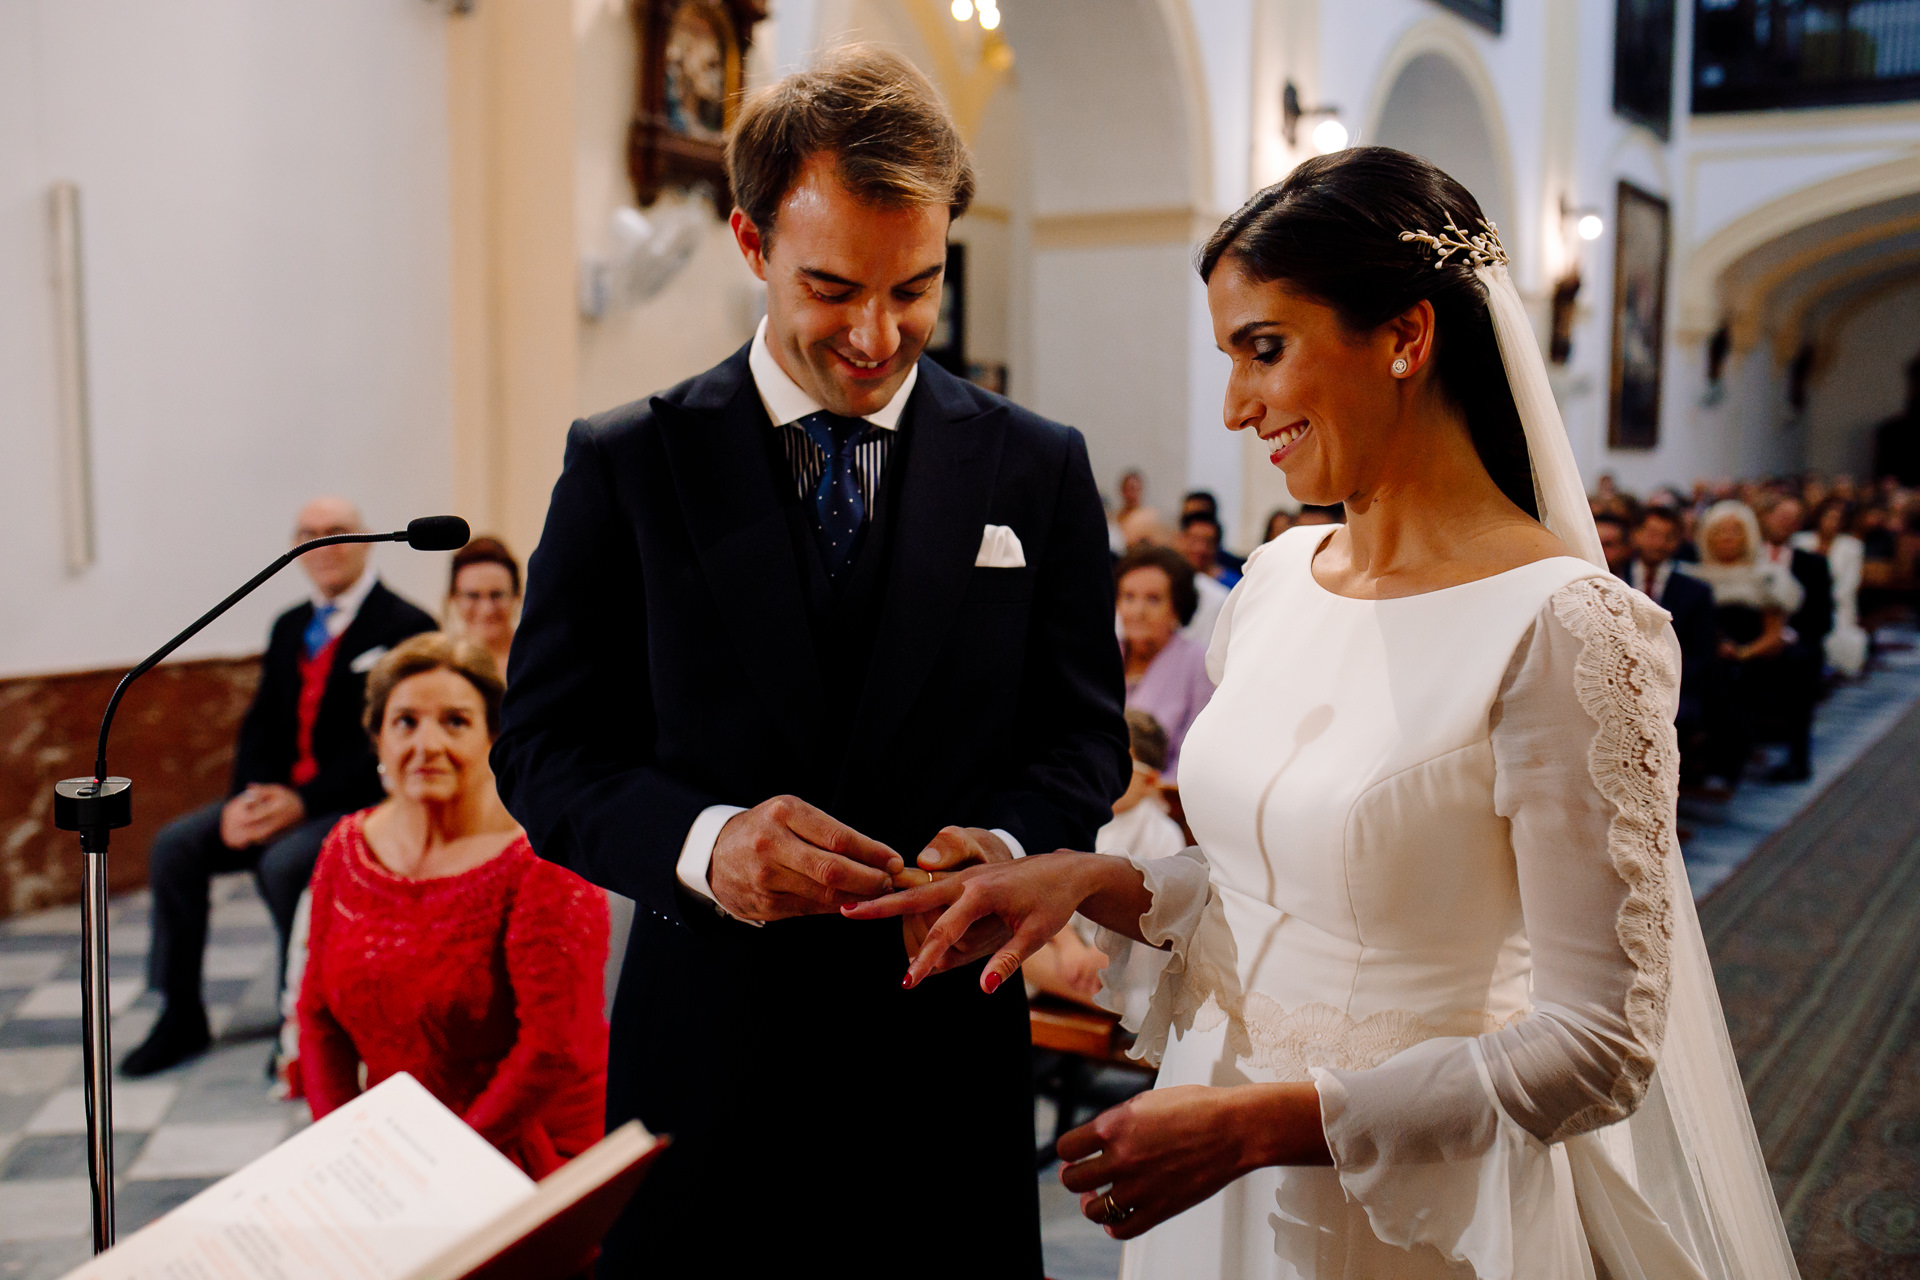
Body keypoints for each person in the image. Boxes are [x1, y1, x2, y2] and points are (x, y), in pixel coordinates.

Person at [853, 148, 1797, 1279]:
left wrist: (1264, 1124)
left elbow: (1600, 1044)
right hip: (1210, 1144)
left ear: (1405, 336)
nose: (1237, 406)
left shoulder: (1567, 626)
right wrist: (1083, 879)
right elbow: (1269, 889)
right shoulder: (1281, 576)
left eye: (1266, 348)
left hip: (1409, 1198)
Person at [489, 46, 1128, 1278]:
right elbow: (543, 750)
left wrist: (1003, 846)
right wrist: (706, 842)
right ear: (749, 240)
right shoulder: (629, 464)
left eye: (918, 287)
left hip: (942, 1058)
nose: (879, 334)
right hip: (710, 1057)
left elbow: (1083, 737)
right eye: (833, 287)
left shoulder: (1034, 467)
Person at [123, 496, 438, 1077]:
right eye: (309, 534)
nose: (324, 544)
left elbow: (389, 742)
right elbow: (261, 722)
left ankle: (304, 1018)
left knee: (286, 864)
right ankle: (180, 1011)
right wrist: (245, 798)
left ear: (366, 538)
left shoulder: (407, 626)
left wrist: (303, 803)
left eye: (337, 531)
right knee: (176, 846)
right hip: (279, 798)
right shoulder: (290, 624)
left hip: (356, 801)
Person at [298, 634, 608, 1177]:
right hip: (389, 1144)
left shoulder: (543, 863)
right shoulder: (345, 849)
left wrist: (437, 1168)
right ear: (377, 740)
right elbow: (317, 1017)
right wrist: (343, 1153)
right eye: (406, 722)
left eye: (455, 721)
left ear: (494, 735)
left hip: (524, 1145)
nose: (428, 744)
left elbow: (554, 1050)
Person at [1026, 709, 1186, 1012]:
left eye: (1117, 762)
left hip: (1125, 966)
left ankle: (1116, 1005)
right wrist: (1069, 946)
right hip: (1068, 953)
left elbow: (1157, 915)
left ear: (1149, 781)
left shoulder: (1163, 835)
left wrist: (1102, 956)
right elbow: (1046, 889)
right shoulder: (1075, 814)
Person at [1623, 506, 1718, 780]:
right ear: (1636, 535)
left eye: (1667, 537)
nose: (1658, 543)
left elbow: (1702, 655)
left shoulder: (1695, 591)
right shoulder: (1613, 578)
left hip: (1673, 686)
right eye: (1651, 534)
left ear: (1677, 542)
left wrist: (1658, 683)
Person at [1115, 545, 1215, 781]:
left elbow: (1196, 760)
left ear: (1177, 608)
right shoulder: (1102, 653)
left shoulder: (1198, 664)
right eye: (1128, 597)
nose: (1138, 611)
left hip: (1162, 804)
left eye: (1153, 599)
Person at [1757, 495, 1832, 781]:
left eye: (1793, 519)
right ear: (1766, 517)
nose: (1785, 523)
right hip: (1749, 640)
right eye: (1780, 516)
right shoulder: (1747, 555)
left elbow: (1822, 619)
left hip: (1793, 644)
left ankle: (1798, 760)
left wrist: (1785, 636)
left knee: (1805, 662)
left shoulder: (1812, 564)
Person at [1793, 498, 1869, 676]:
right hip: (1801, 600)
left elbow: (1850, 583)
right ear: (1819, 518)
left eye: (1837, 519)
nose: (1831, 523)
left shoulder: (1851, 546)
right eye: (1828, 518)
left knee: (1837, 631)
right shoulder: (1801, 541)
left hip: (1836, 603)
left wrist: (1824, 599)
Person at [445, 535, 522, 675]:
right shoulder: (440, 664)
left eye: (497, 595)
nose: (486, 609)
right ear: (453, 597)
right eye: (472, 596)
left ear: (517, 595)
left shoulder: (537, 659)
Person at [1179, 510, 1241, 586]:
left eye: (1208, 542)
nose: (1200, 548)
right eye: (1194, 540)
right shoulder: (1167, 578)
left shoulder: (1233, 585)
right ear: (1181, 539)